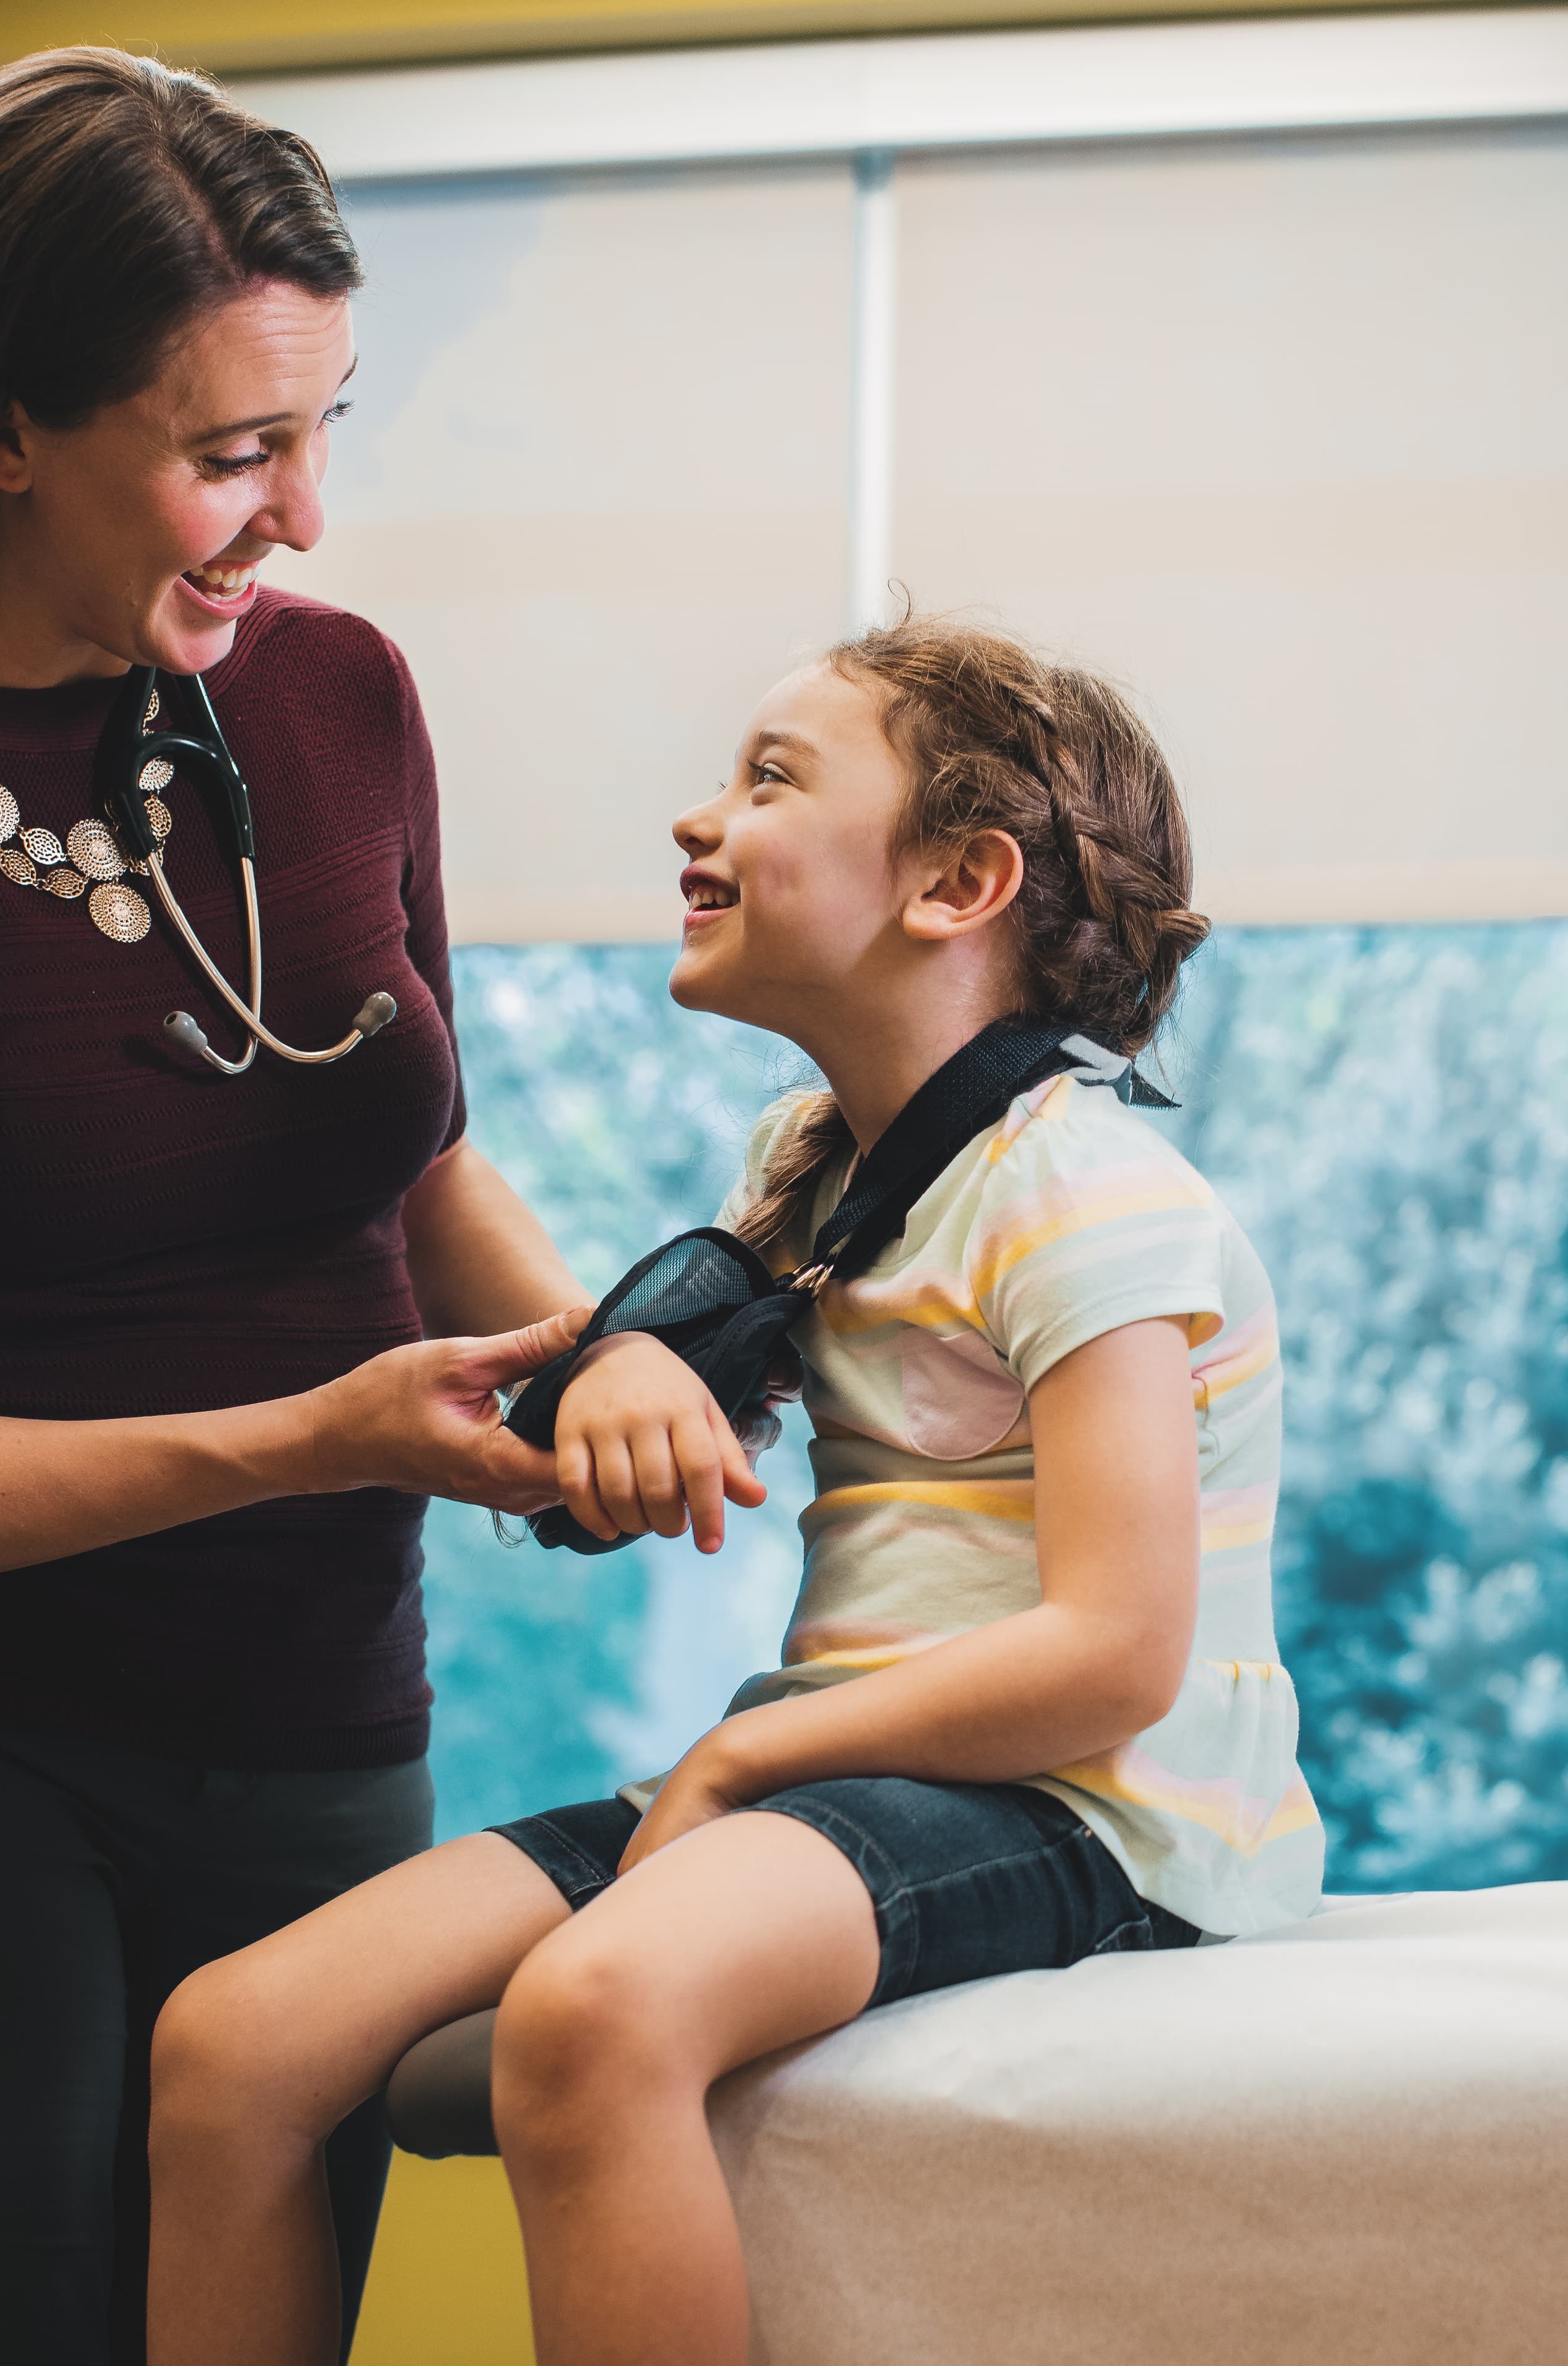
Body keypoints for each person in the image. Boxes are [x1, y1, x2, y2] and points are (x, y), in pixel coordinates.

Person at [0, 49, 689, 2366]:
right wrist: (312, 1436)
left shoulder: (336, 706)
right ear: (7, 425)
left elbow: (399, 1158)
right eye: (230, 453)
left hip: (316, 1735)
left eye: (326, 429)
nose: (303, 513)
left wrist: (608, 1355)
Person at [145, 616, 1328, 2366]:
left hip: (1090, 1804)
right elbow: (673, 1360)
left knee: (594, 2015)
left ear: (956, 883)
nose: (699, 821)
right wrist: (627, 1365)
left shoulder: (1088, 1196)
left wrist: (747, 1754)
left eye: (768, 781)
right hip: (850, 1767)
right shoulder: (829, 1174)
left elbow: (1114, 1658)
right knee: (231, 2046)